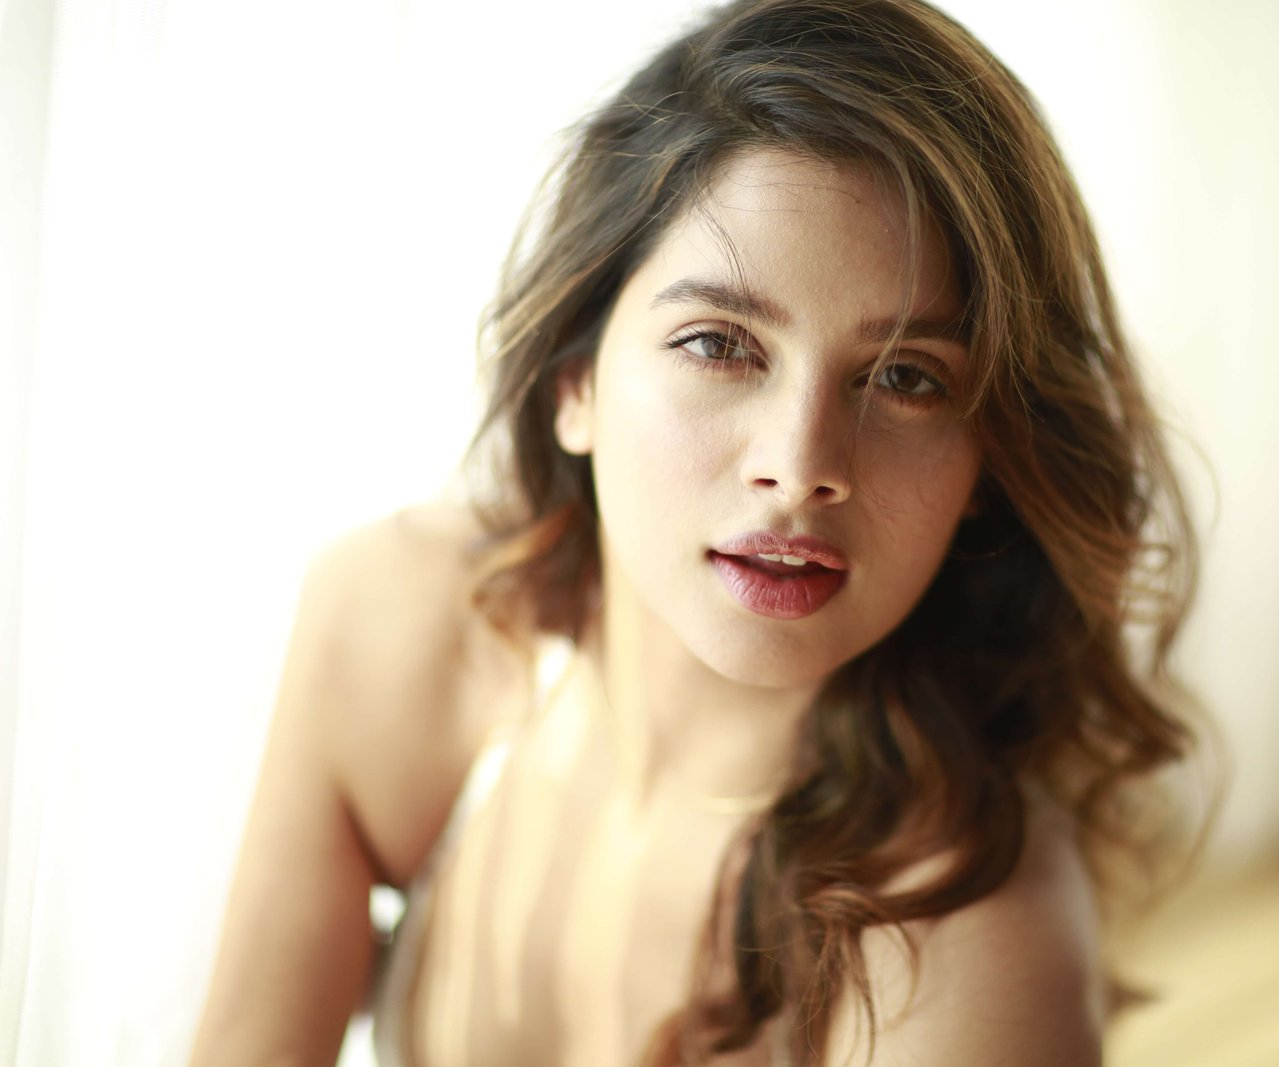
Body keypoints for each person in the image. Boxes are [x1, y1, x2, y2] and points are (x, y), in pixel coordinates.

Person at [189, 0, 1202, 1063]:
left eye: (905, 376)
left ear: (989, 457)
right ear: (575, 381)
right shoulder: (396, 624)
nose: (800, 464)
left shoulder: (968, 935)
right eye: (719, 344)